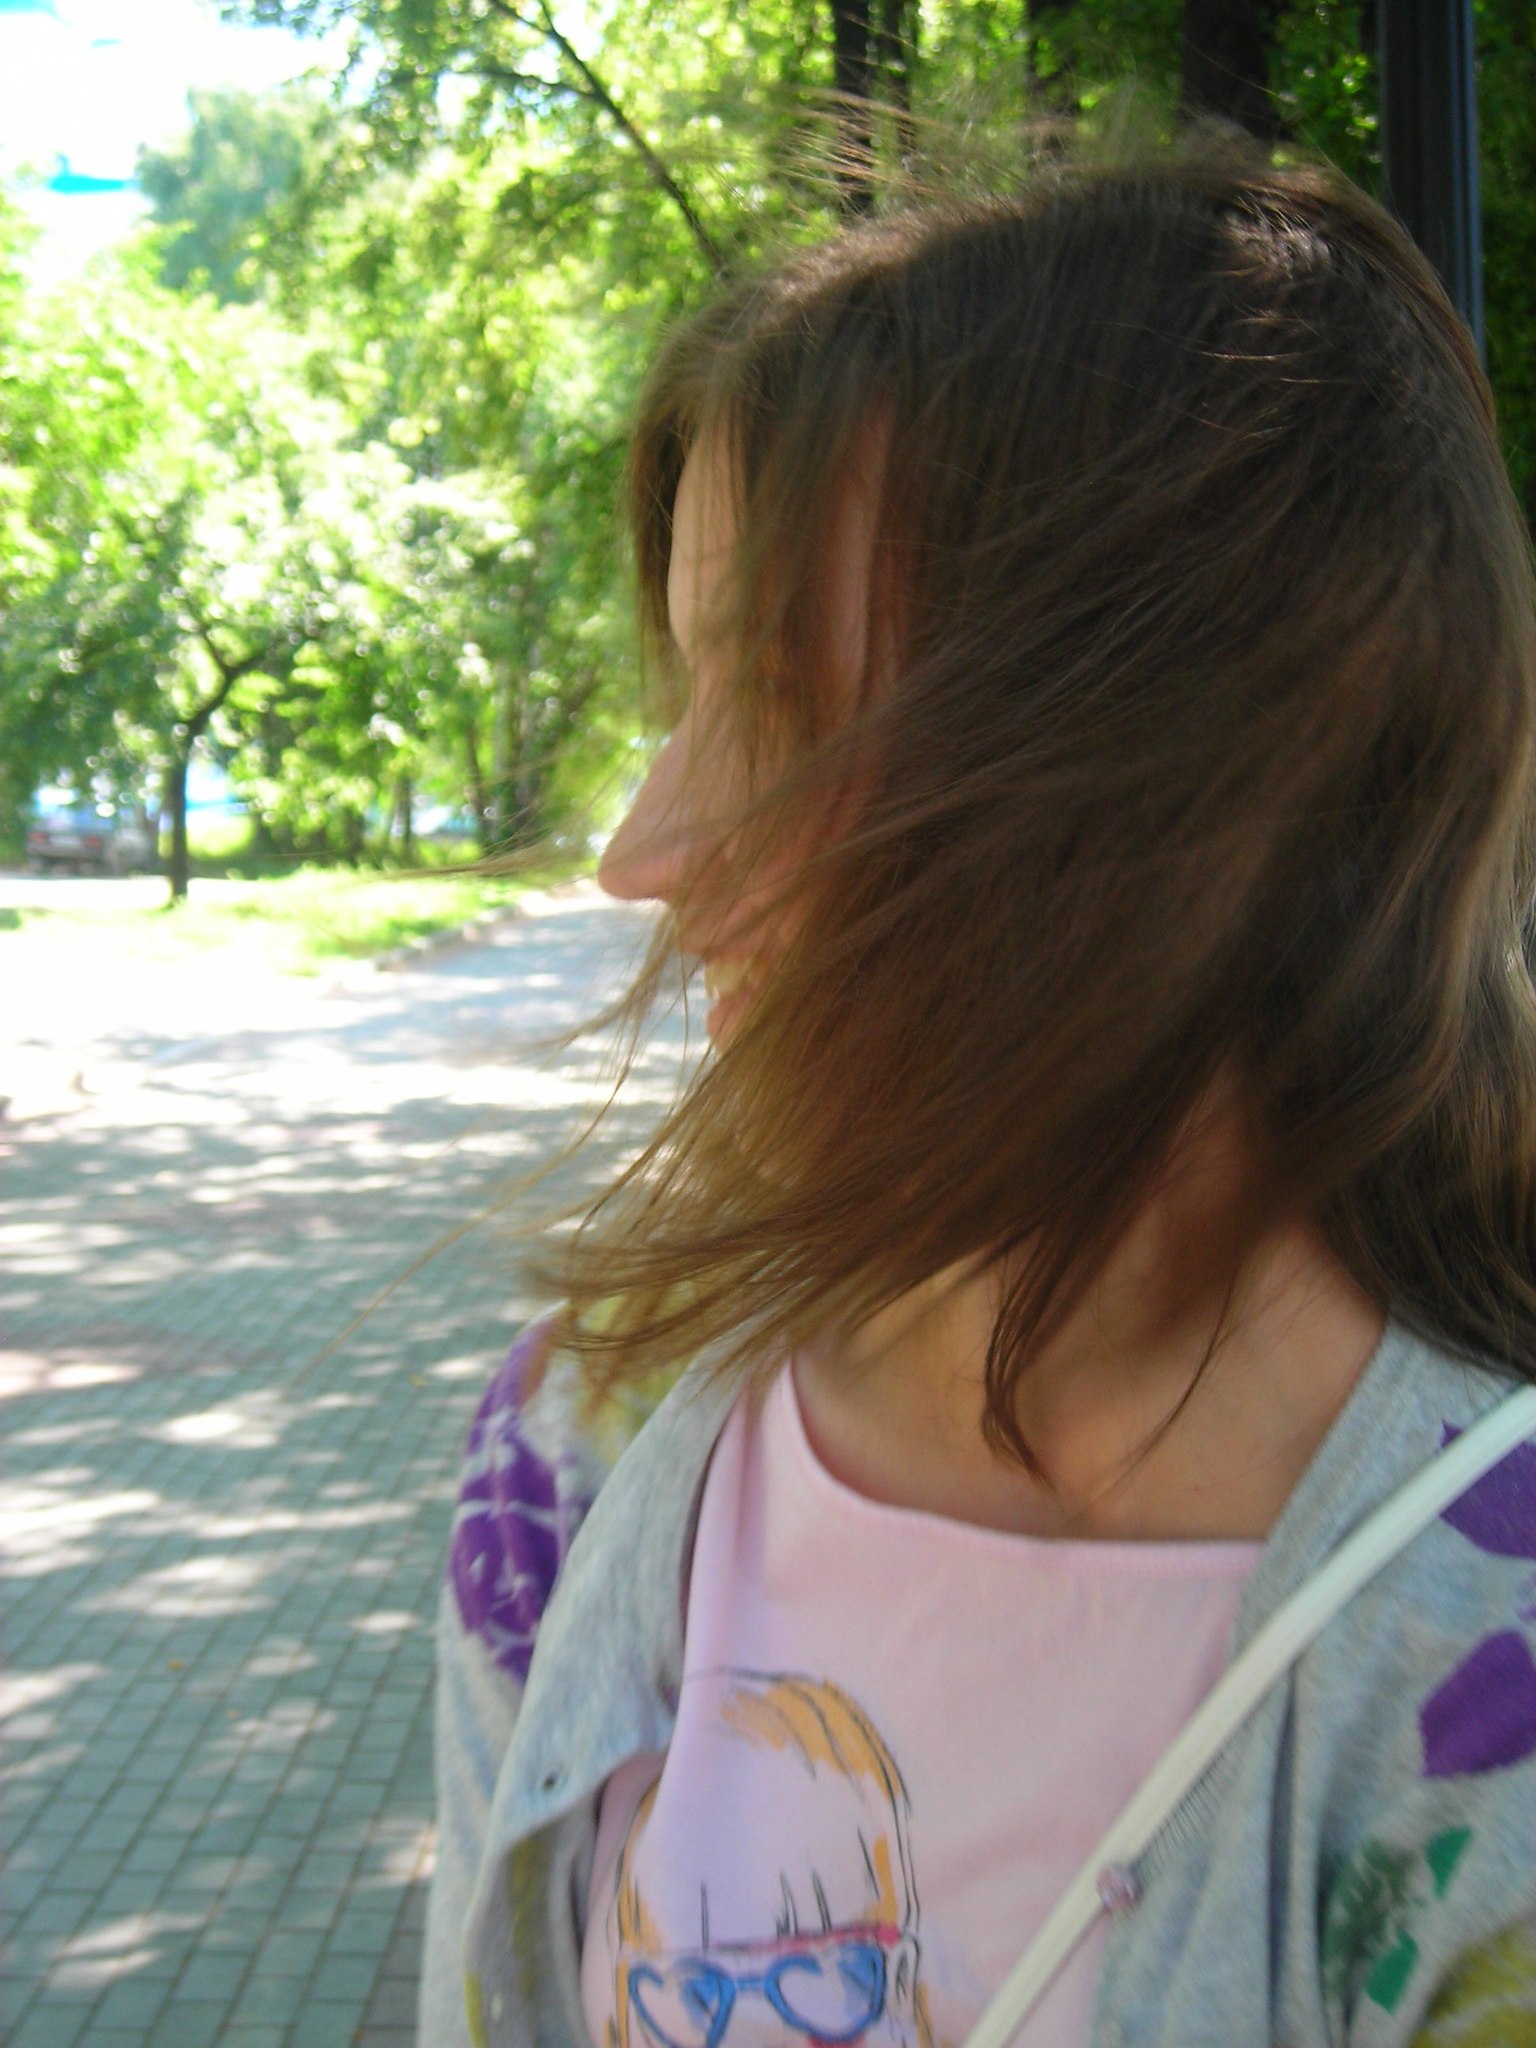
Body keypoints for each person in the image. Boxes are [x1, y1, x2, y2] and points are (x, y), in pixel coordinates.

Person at [421, 138, 1536, 2048]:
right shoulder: (585, 1444)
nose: (642, 849)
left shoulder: (1483, 1664)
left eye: (781, 700)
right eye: (683, 702)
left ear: (1182, 796)